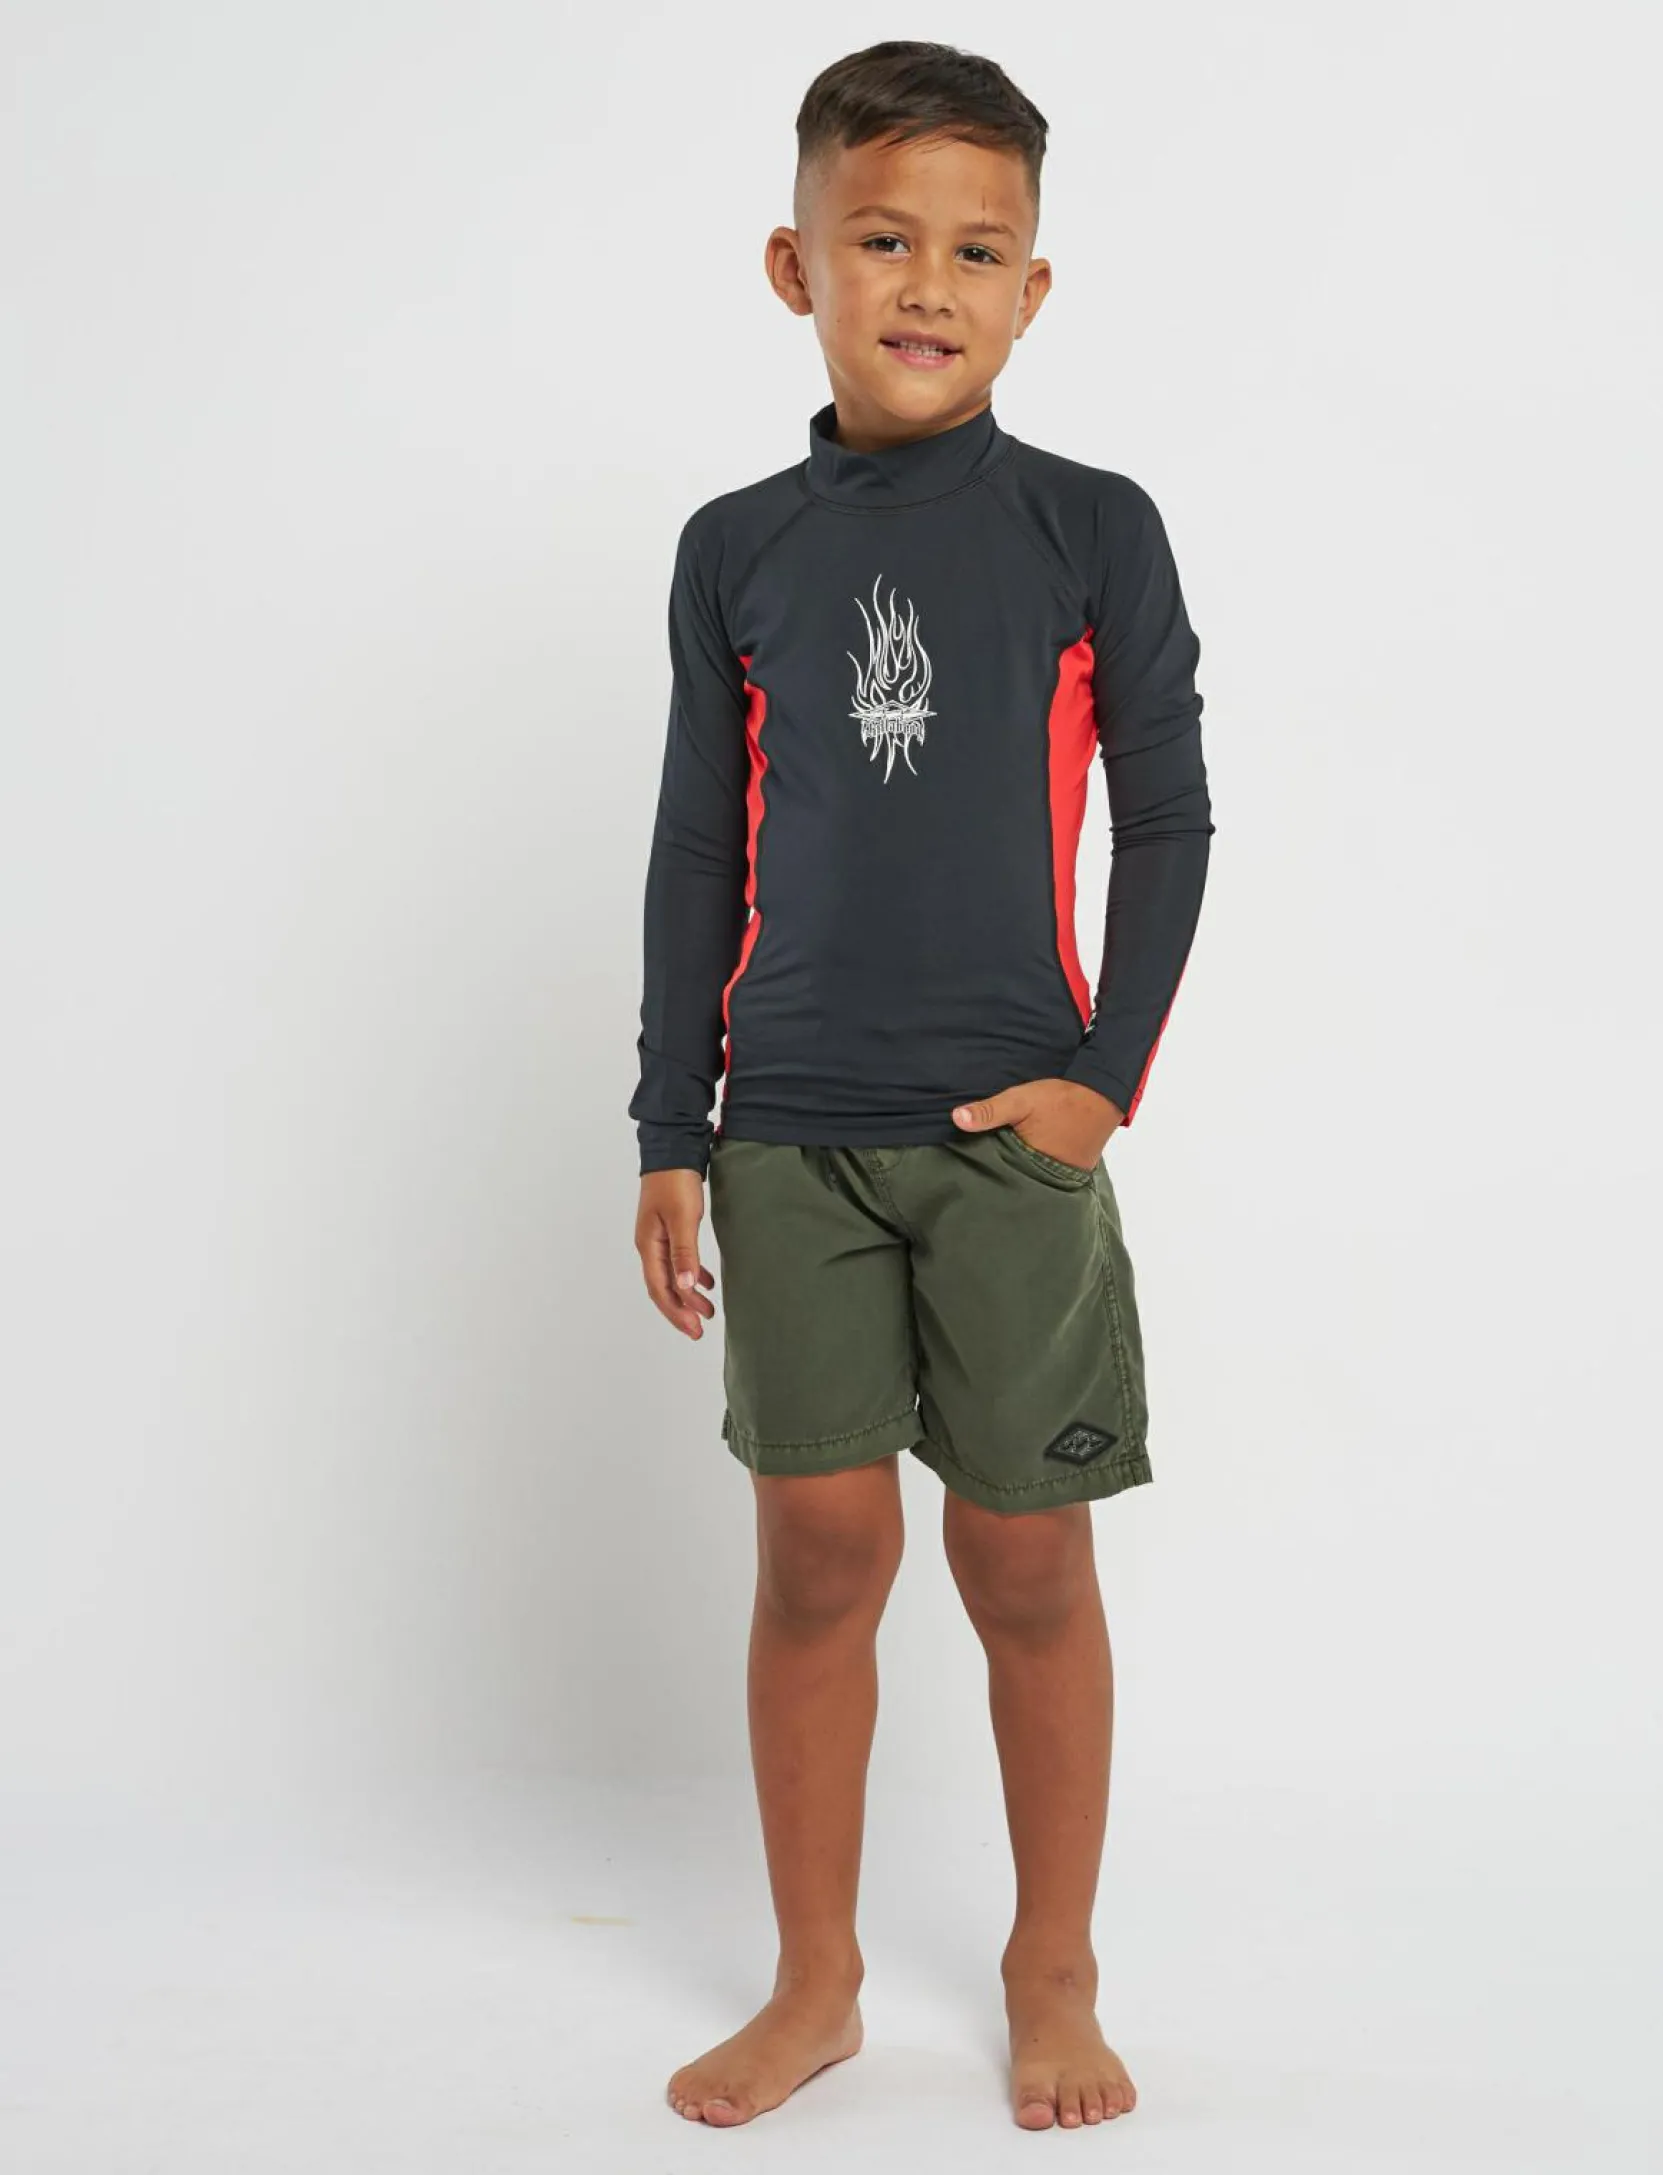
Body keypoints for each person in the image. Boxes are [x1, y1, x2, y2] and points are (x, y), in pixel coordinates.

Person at [629, 38, 1213, 2134]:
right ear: (796, 265)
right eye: (883, 239)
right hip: (787, 1128)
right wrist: (672, 1125)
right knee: (816, 1551)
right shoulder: (736, 549)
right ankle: (817, 1979)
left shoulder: (1090, 528)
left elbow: (1169, 817)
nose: (929, 284)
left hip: (1006, 1136)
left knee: (1028, 1562)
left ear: (1033, 289)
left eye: (978, 250)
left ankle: (1053, 1965)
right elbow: (698, 846)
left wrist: (1101, 1082)